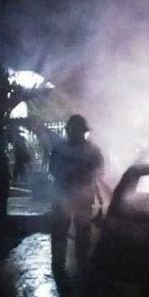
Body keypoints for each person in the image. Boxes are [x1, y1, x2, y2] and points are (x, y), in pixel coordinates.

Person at [48, 114, 104, 284]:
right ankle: (65, 266)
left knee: (80, 233)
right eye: (72, 130)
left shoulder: (90, 150)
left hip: (78, 197)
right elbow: (53, 169)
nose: (73, 133)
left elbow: (99, 172)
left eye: (76, 130)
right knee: (65, 232)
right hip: (66, 196)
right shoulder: (64, 150)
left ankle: (76, 266)